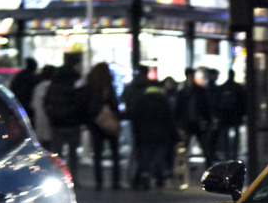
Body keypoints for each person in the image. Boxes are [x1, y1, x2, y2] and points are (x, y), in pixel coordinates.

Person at [125, 73, 178, 189]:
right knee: (159, 157)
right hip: (161, 135)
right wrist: (174, 135)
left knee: (144, 156)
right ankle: (159, 179)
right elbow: (170, 119)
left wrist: (136, 134)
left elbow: (135, 119)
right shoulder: (163, 101)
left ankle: (145, 175)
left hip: (144, 135)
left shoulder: (141, 101)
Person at [43, 53, 87, 180]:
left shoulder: (55, 79)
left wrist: (51, 116)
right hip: (73, 121)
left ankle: (58, 177)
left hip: (57, 121)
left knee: (57, 153)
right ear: (76, 64)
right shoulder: (77, 80)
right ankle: (73, 177)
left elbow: (47, 101)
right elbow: (82, 101)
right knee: (73, 152)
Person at [84, 62, 122, 191]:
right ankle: (115, 181)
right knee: (115, 153)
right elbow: (114, 104)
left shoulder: (90, 86)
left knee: (98, 155)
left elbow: (88, 106)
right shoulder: (108, 86)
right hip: (109, 123)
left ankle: (99, 182)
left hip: (96, 123)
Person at [175, 67, 214, 167]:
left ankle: (206, 166)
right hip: (189, 122)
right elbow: (178, 109)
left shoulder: (188, 91)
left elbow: (207, 107)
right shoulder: (186, 92)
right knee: (189, 147)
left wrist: (207, 120)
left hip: (196, 122)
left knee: (204, 148)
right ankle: (184, 168)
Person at [217, 68, 247, 161]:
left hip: (226, 115)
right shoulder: (237, 87)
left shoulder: (223, 87)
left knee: (226, 136)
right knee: (235, 137)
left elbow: (218, 103)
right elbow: (243, 102)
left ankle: (227, 155)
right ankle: (234, 155)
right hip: (235, 115)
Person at [29, 64, 56, 148]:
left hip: (40, 118)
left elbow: (34, 104)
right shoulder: (53, 86)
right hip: (52, 119)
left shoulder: (39, 86)